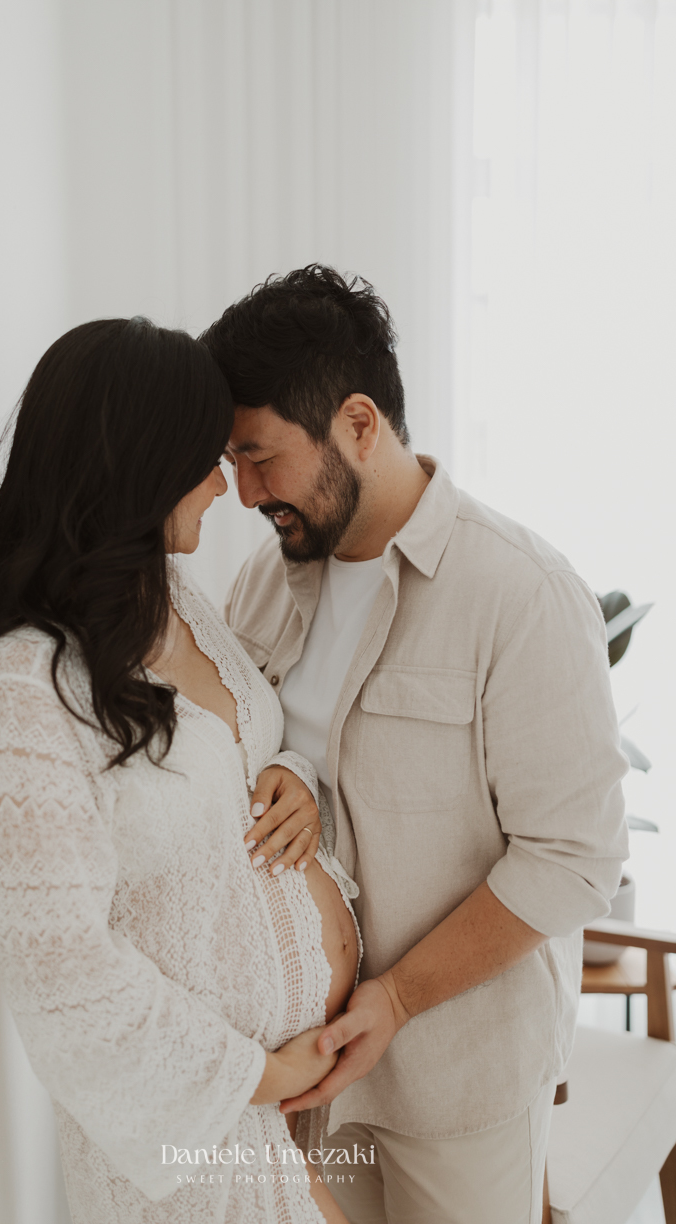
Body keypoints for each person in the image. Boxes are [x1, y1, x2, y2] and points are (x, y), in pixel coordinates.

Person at [201, 265, 629, 1224]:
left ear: (359, 424)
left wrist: (395, 1001)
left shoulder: (519, 595)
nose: (243, 494)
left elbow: (575, 858)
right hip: (303, 1074)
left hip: (456, 1083)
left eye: (261, 458)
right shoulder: (263, 586)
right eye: (230, 462)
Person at [0, 316, 362, 1224]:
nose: (227, 484)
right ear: (140, 467)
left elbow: (233, 757)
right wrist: (255, 1077)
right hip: (192, 1144)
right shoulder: (32, 685)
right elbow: (60, 970)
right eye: (206, 457)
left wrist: (295, 772)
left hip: (293, 1101)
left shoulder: (176, 599)